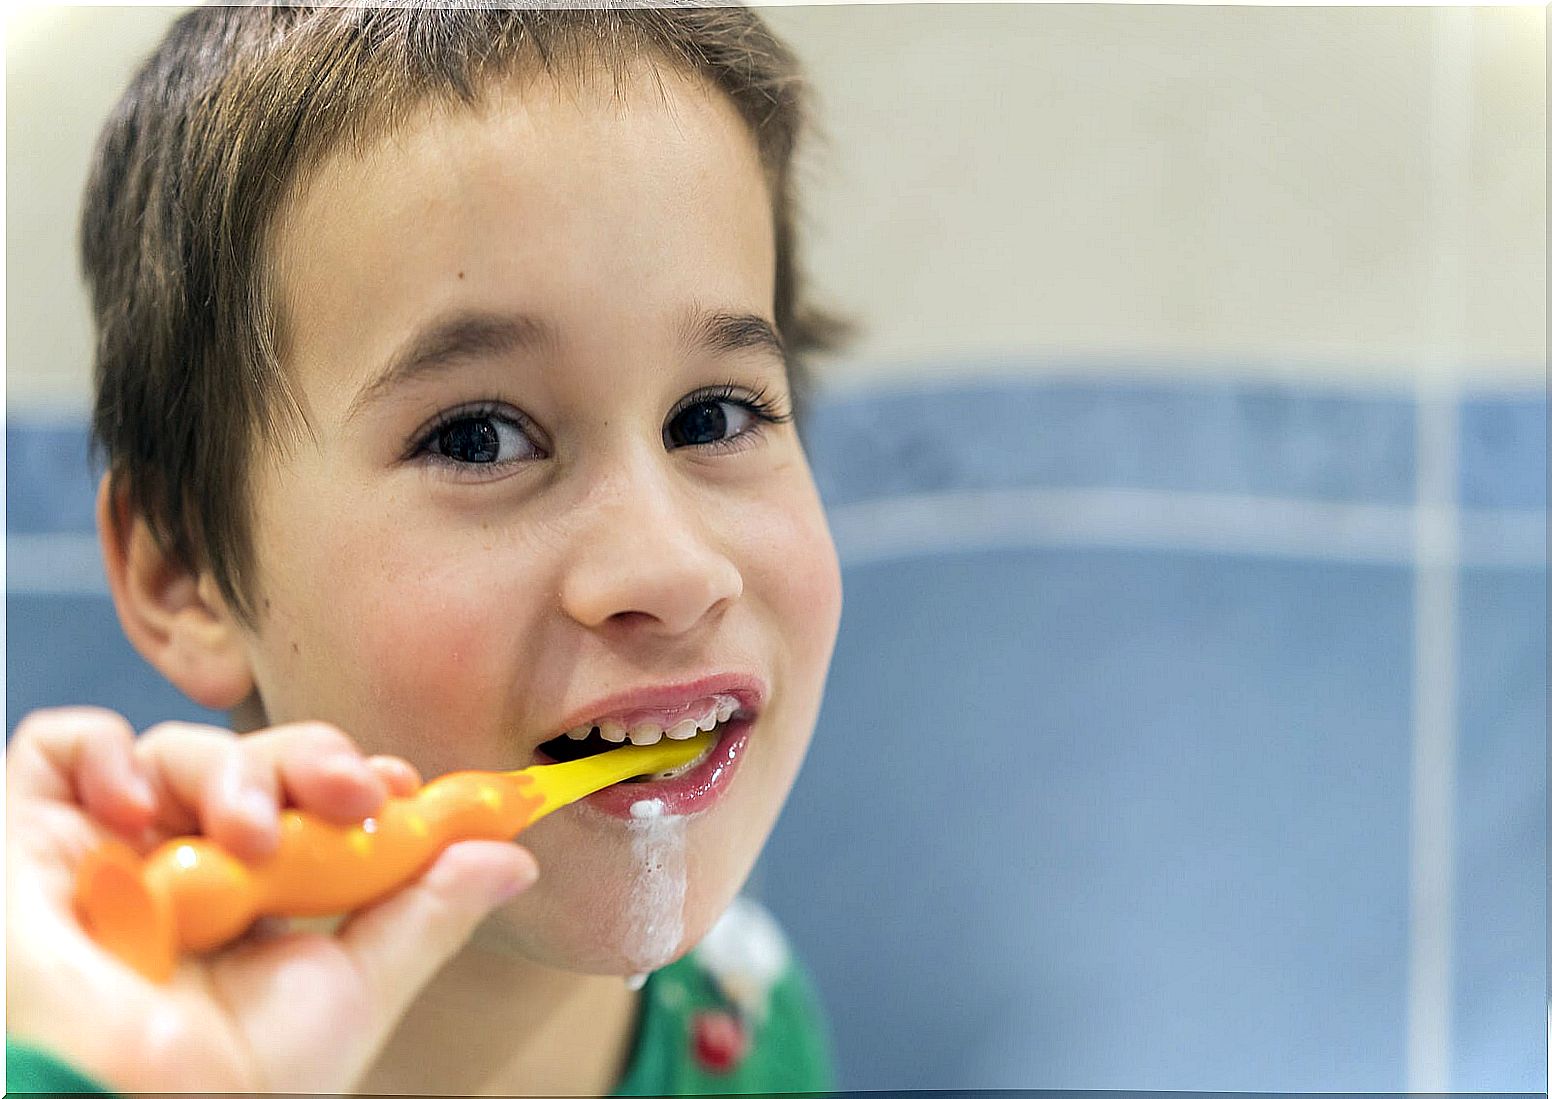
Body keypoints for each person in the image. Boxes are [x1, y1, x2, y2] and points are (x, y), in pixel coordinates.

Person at [5, 3, 848, 1093]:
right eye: (479, 437)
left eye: (715, 417)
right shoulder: (85, 1054)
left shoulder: (746, 1016)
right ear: (187, 577)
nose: (675, 571)